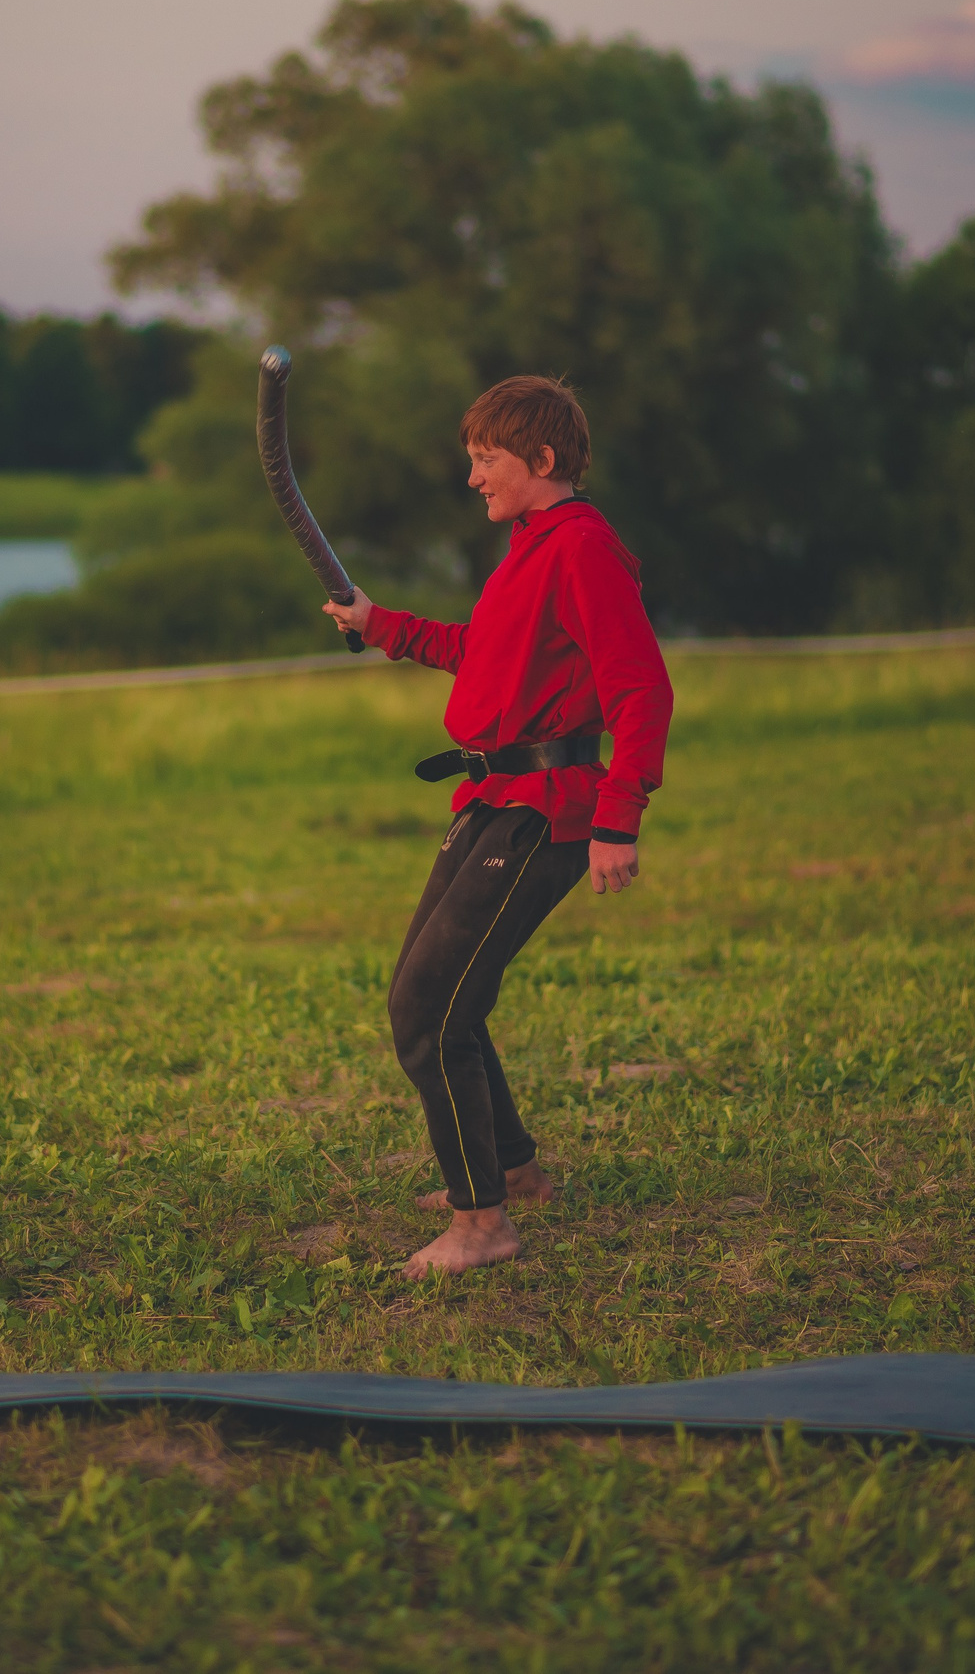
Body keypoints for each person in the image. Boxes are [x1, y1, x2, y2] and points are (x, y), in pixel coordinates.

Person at [323, 375, 673, 1279]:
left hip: (548, 813)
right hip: (490, 803)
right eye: (471, 459)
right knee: (431, 994)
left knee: (425, 1013)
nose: (473, 476)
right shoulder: (530, 546)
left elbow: (641, 690)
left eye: (487, 459)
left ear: (542, 461)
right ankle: (512, 1171)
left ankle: (482, 1225)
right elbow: (480, 653)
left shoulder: (584, 549)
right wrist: (379, 625)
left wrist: (617, 819)